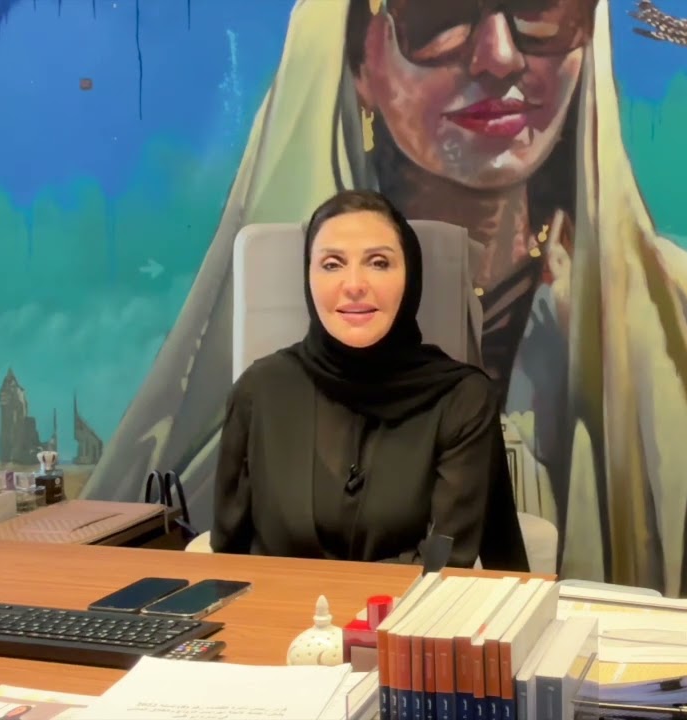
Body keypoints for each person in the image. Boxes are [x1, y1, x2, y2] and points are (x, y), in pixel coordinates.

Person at [84, 3, 687, 714]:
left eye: (542, 8)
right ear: (355, 56)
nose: (500, 54)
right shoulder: (260, 392)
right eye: (438, 10)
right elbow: (237, 569)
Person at [210, 190, 528, 571]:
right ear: (308, 278)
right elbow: (230, 559)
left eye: (378, 263)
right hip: (282, 625)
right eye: (332, 264)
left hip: (406, 623)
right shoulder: (257, 392)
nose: (354, 284)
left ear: (410, 276)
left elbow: (443, 564)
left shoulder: (461, 400)